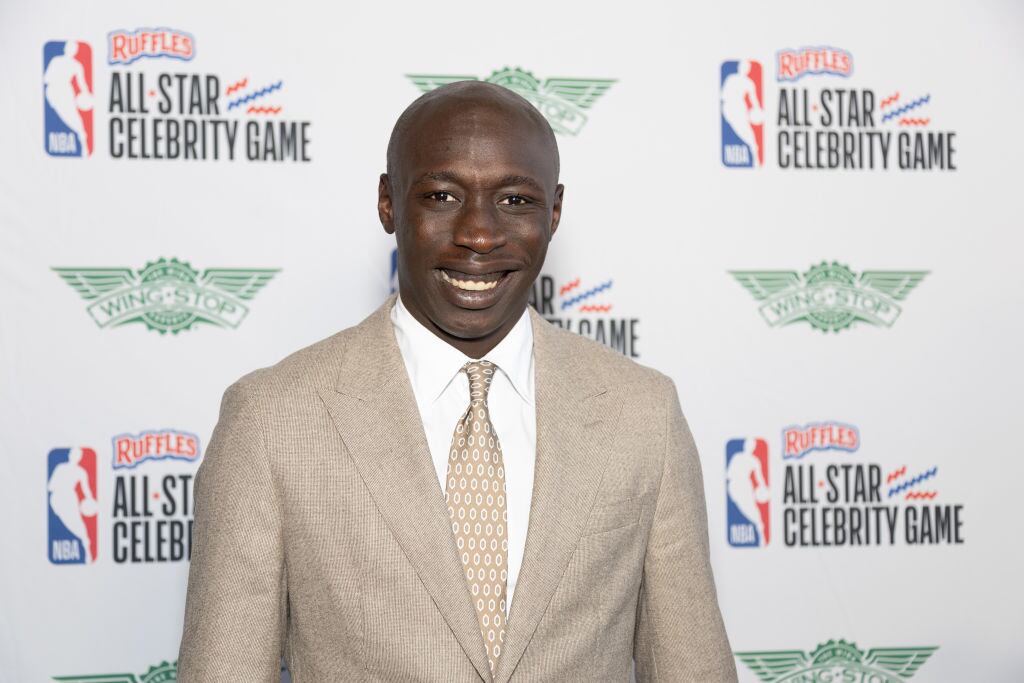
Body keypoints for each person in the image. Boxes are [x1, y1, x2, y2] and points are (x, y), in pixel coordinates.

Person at [178, 81, 736, 682]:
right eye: (442, 196)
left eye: (516, 200)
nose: (478, 233)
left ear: (555, 211)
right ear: (389, 204)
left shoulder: (642, 413)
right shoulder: (271, 420)